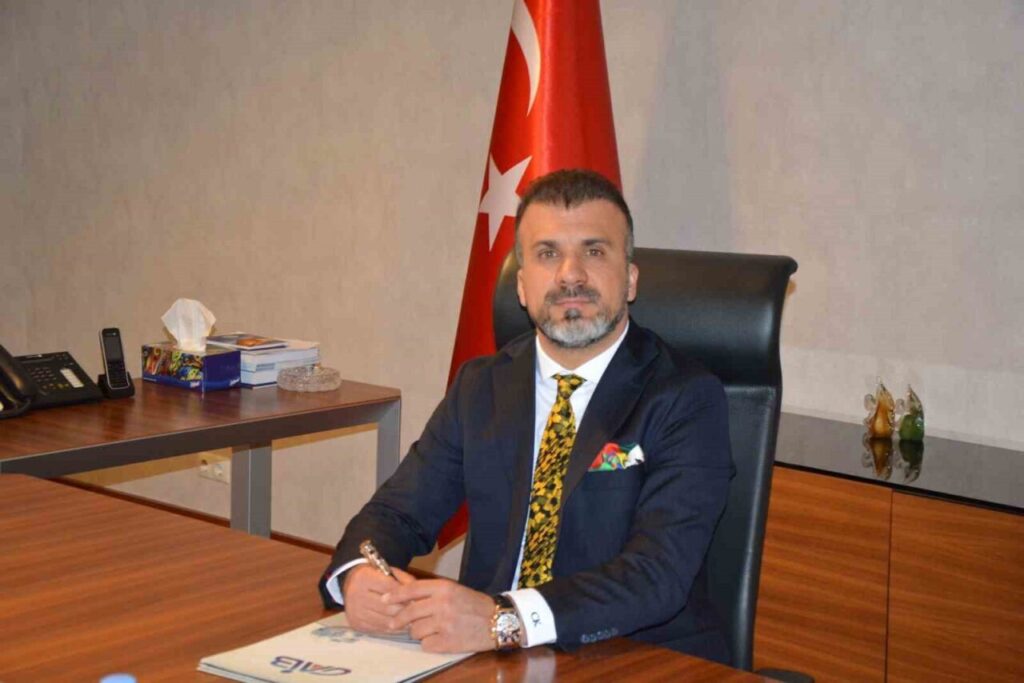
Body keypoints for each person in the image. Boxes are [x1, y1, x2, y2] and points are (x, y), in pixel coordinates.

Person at [318, 168, 734, 662]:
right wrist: (358, 577)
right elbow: (397, 513)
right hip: (490, 657)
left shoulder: (686, 397)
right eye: (547, 254)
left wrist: (506, 618)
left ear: (630, 279)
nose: (570, 275)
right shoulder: (481, 386)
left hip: (633, 658)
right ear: (521, 286)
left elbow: (656, 575)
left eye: (594, 251)